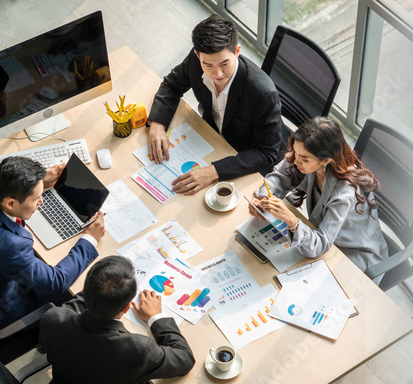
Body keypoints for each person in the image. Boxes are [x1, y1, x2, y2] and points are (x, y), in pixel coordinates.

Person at [0, 157, 105, 331]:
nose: (42, 201)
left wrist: (41, 183)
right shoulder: (11, 247)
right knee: (75, 297)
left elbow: (5, 185)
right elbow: (57, 281)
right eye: (36, 198)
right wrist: (90, 238)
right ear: (11, 203)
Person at [148, 15, 282, 195]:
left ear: (237, 51)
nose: (217, 73)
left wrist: (213, 172)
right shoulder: (197, 60)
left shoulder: (263, 94)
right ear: (197, 54)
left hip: (238, 158)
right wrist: (157, 123)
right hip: (208, 137)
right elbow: (172, 85)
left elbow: (267, 154)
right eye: (208, 65)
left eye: (224, 64)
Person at [252, 117, 388, 281]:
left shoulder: (345, 192)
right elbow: (279, 178)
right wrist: (264, 198)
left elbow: (320, 244)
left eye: (303, 158)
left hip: (353, 257)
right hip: (323, 239)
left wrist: (291, 221)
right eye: (295, 152)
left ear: (326, 160)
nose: (295, 160)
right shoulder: (307, 157)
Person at [40, 256, 195, 383]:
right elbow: (185, 359)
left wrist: (106, 280)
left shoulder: (54, 318)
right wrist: (156, 317)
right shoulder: (138, 349)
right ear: (127, 308)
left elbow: (81, 301)